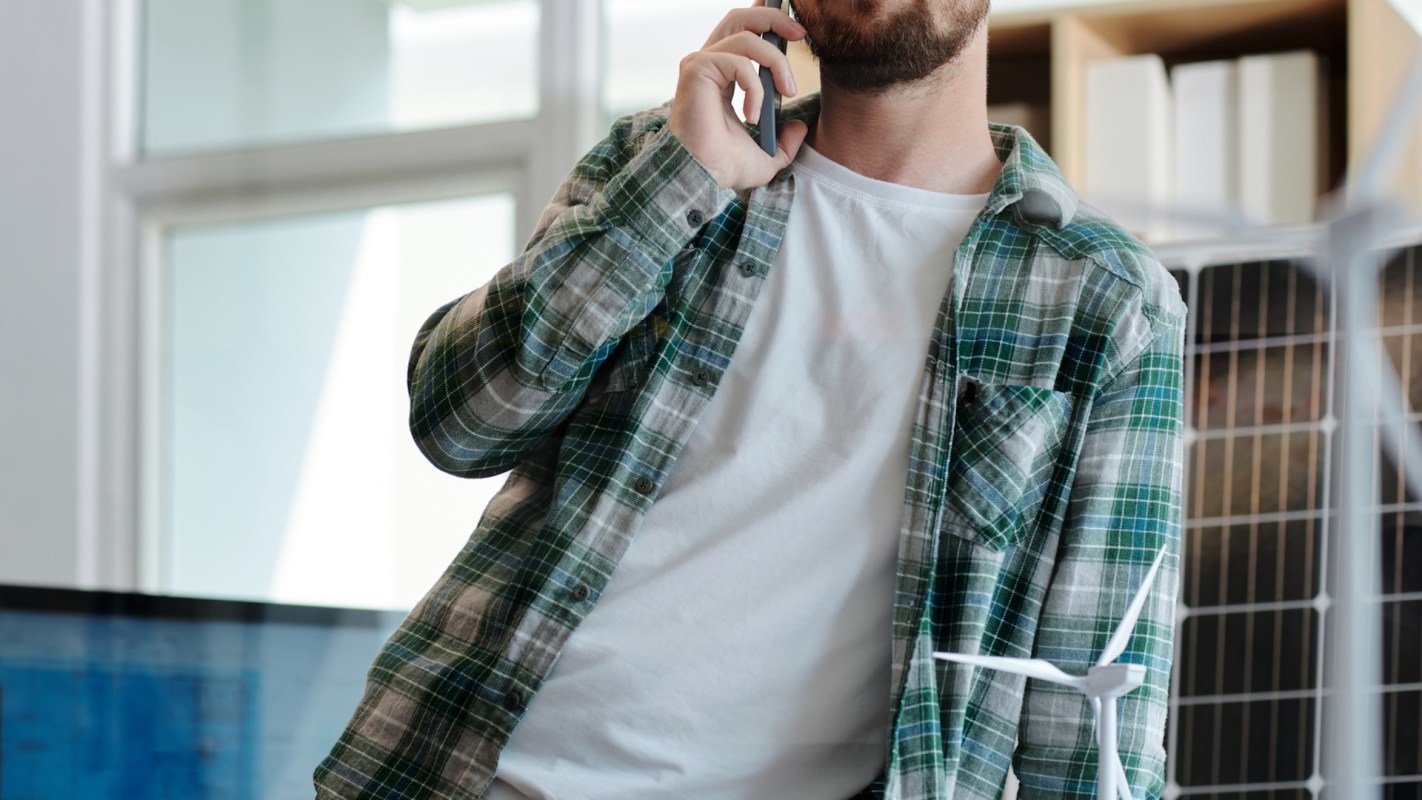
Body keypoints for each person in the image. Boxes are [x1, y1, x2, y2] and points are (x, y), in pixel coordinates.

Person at [315, 0, 1185, 797]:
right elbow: (458, 422)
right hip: (466, 773)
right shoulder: (663, 166)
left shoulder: (1105, 300)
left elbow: (1094, 727)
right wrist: (676, 182)